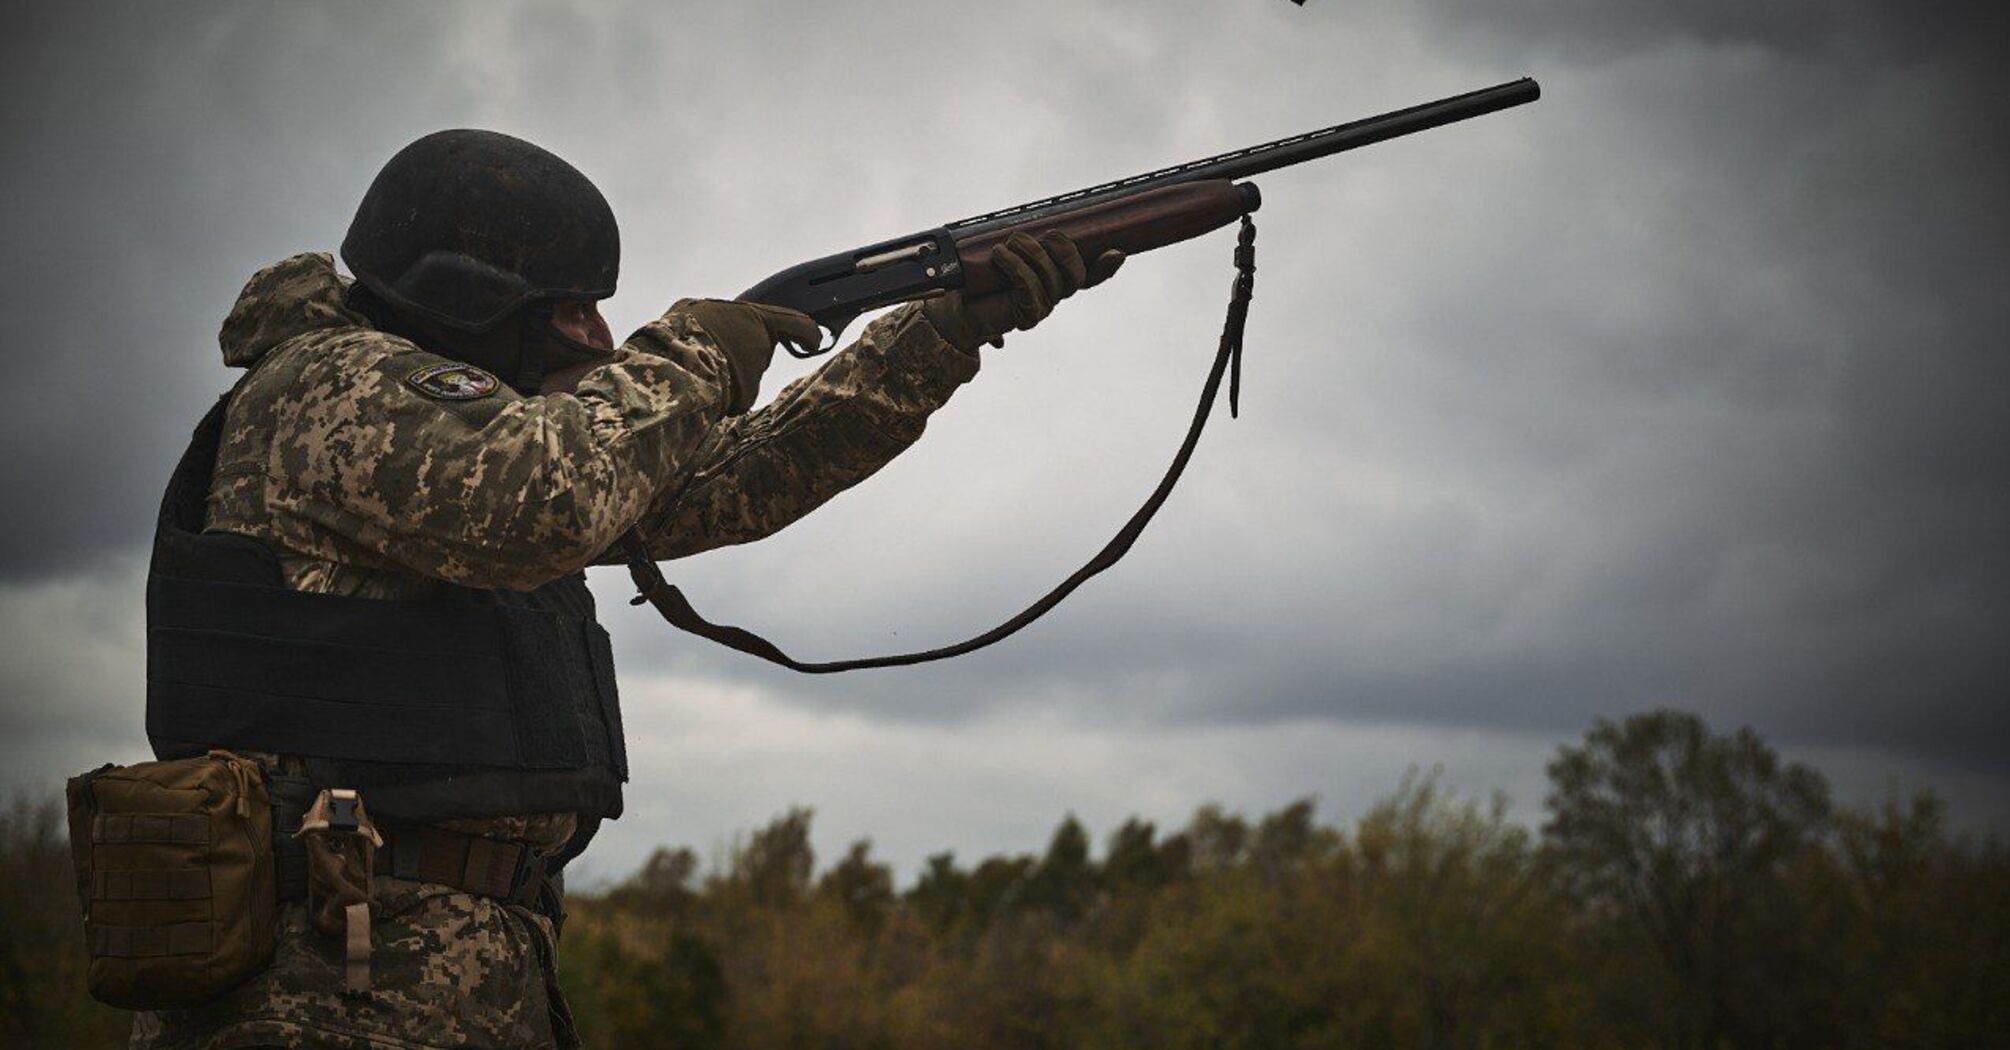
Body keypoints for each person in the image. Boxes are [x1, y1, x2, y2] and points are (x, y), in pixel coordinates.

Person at [132, 129, 1121, 1049]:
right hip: (331, 987)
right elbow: (542, 498)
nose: (603, 337)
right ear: (469, 294)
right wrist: (694, 349)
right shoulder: (328, 388)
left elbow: (734, 483)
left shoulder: (479, 437)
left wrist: (944, 332)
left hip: (440, 974)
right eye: (572, 308)